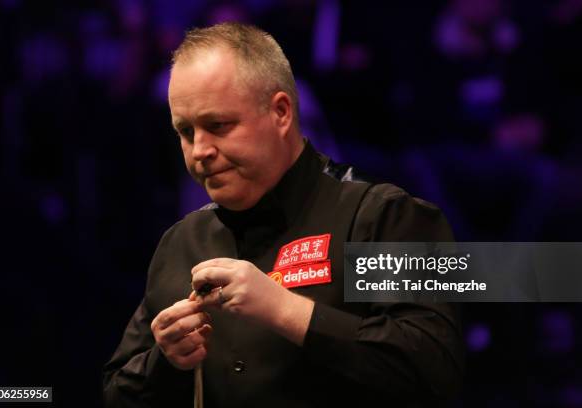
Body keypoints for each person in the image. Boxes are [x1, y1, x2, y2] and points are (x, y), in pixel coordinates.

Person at [102, 22, 464, 407]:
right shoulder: (181, 242)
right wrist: (165, 360)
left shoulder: (378, 217)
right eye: (186, 132)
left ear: (280, 112)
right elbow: (116, 394)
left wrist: (286, 310)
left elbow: (433, 371)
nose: (199, 150)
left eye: (218, 125)